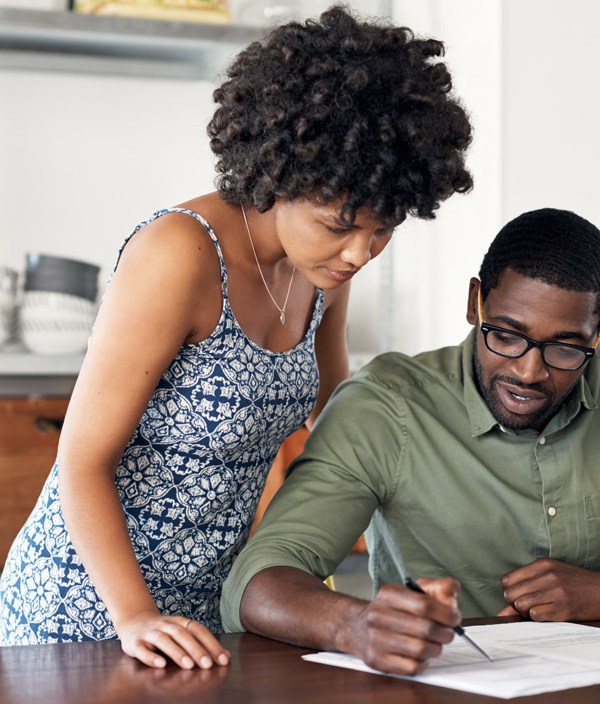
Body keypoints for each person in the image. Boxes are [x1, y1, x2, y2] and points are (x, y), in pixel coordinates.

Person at [0, 5, 472, 671]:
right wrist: (133, 615)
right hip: (86, 604)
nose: (362, 251)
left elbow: (339, 427)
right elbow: (81, 461)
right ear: (278, 174)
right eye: (340, 223)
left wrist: (418, 549)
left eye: (385, 226)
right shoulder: (180, 255)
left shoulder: (324, 269)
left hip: (203, 609)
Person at [221, 207, 600, 676]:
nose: (529, 372)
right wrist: (354, 625)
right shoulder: (387, 407)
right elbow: (257, 581)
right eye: (506, 335)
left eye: (566, 348)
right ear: (475, 302)